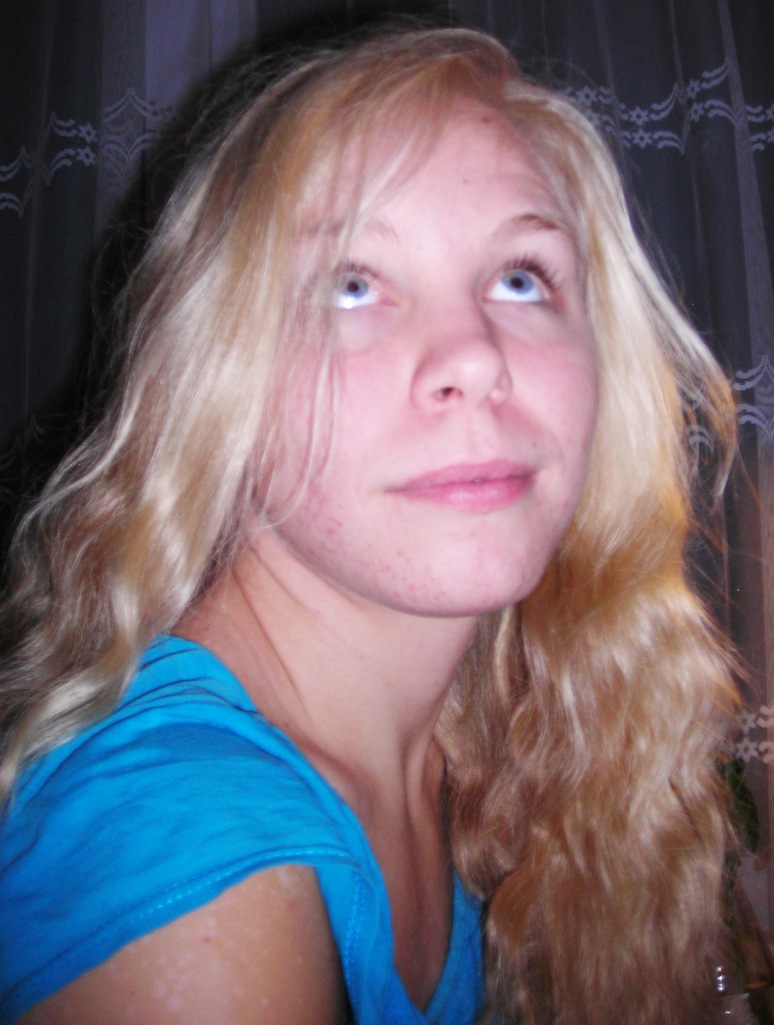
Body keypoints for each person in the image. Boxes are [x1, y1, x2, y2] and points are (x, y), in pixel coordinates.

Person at [0, 26, 740, 1025]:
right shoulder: (191, 856)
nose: (475, 356)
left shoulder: (468, 752)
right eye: (352, 284)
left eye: (522, 277)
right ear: (214, 374)